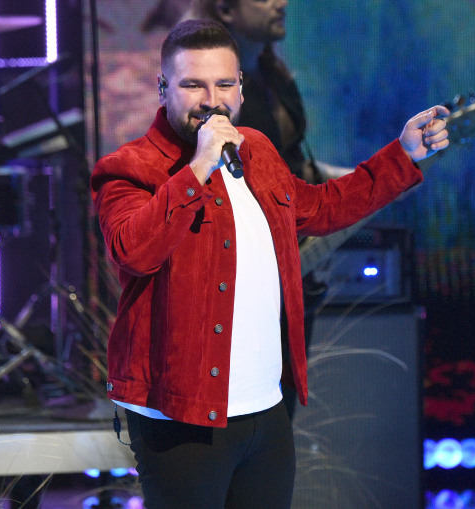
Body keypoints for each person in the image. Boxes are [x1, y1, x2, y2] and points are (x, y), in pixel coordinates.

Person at [90, 19, 448, 509]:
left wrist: (402, 156)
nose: (209, 99)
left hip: (265, 409)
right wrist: (199, 166)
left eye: (223, 84)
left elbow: (320, 208)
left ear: (240, 89)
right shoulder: (130, 169)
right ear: (163, 89)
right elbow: (132, 251)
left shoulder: (254, 149)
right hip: (182, 417)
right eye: (192, 84)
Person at [182, 0, 356, 419]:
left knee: (279, 413)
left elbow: (295, 166)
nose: (282, 3)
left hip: (295, 265)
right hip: (246, 278)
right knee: (249, 414)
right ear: (225, 8)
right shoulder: (213, 98)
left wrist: (370, 179)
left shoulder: (271, 73)